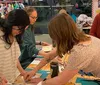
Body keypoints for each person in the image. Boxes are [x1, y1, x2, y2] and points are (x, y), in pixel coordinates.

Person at [24, 13, 100, 85]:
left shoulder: (80, 51)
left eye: (55, 38)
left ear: (60, 36)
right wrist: (34, 71)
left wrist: (42, 83)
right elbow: (50, 55)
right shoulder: (83, 37)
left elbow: (61, 81)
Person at [0, 9, 30, 84]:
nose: (19, 32)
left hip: (12, 78)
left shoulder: (14, 35)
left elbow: (14, 58)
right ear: (10, 24)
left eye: (22, 30)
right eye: (18, 29)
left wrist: (22, 72)